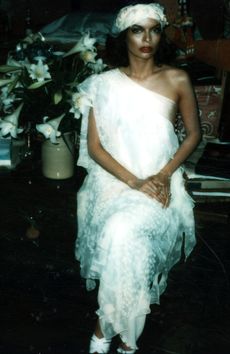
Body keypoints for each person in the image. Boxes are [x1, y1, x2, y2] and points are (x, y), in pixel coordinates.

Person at [74, 2, 201, 353]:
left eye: (154, 29)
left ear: (162, 34)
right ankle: (127, 340)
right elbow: (96, 148)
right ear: (123, 36)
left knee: (124, 235)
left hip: (162, 183)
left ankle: (103, 331)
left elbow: (193, 135)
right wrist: (135, 182)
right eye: (136, 30)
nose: (146, 38)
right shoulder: (101, 84)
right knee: (122, 237)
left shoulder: (177, 79)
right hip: (114, 183)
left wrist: (161, 176)